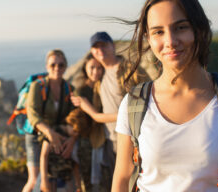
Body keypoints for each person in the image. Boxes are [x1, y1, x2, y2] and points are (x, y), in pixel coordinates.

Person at [112, 0, 218, 192]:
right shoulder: (134, 103)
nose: (170, 41)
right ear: (149, 39)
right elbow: (122, 180)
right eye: (158, 32)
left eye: (181, 27)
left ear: (200, 30)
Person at [71, 33, 150, 190]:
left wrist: (93, 114)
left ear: (112, 46)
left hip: (132, 139)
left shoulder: (130, 69)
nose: (100, 50)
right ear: (92, 52)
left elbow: (148, 101)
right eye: (95, 47)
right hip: (108, 139)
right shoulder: (99, 74)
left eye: (103, 45)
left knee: (135, 182)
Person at [22, 49, 75, 192]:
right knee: (34, 180)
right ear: (47, 67)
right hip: (35, 135)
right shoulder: (38, 87)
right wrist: (49, 132)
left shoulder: (69, 89)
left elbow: (73, 117)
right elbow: (32, 114)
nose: (57, 68)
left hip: (55, 135)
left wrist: (72, 138)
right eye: (53, 65)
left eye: (61, 65)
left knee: (52, 178)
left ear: (65, 67)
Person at [72, 54, 106, 191]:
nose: (95, 72)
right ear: (85, 68)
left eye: (99, 68)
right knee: (87, 182)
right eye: (92, 67)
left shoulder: (103, 87)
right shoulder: (81, 91)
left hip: (103, 137)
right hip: (85, 140)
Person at [40, 108, 90, 192]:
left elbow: (74, 163)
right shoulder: (54, 133)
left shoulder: (72, 140)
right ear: (70, 123)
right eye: (75, 131)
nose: (76, 135)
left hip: (66, 180)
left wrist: (78, 185)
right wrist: (44, 180)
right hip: (52, 178)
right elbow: (44, 155)